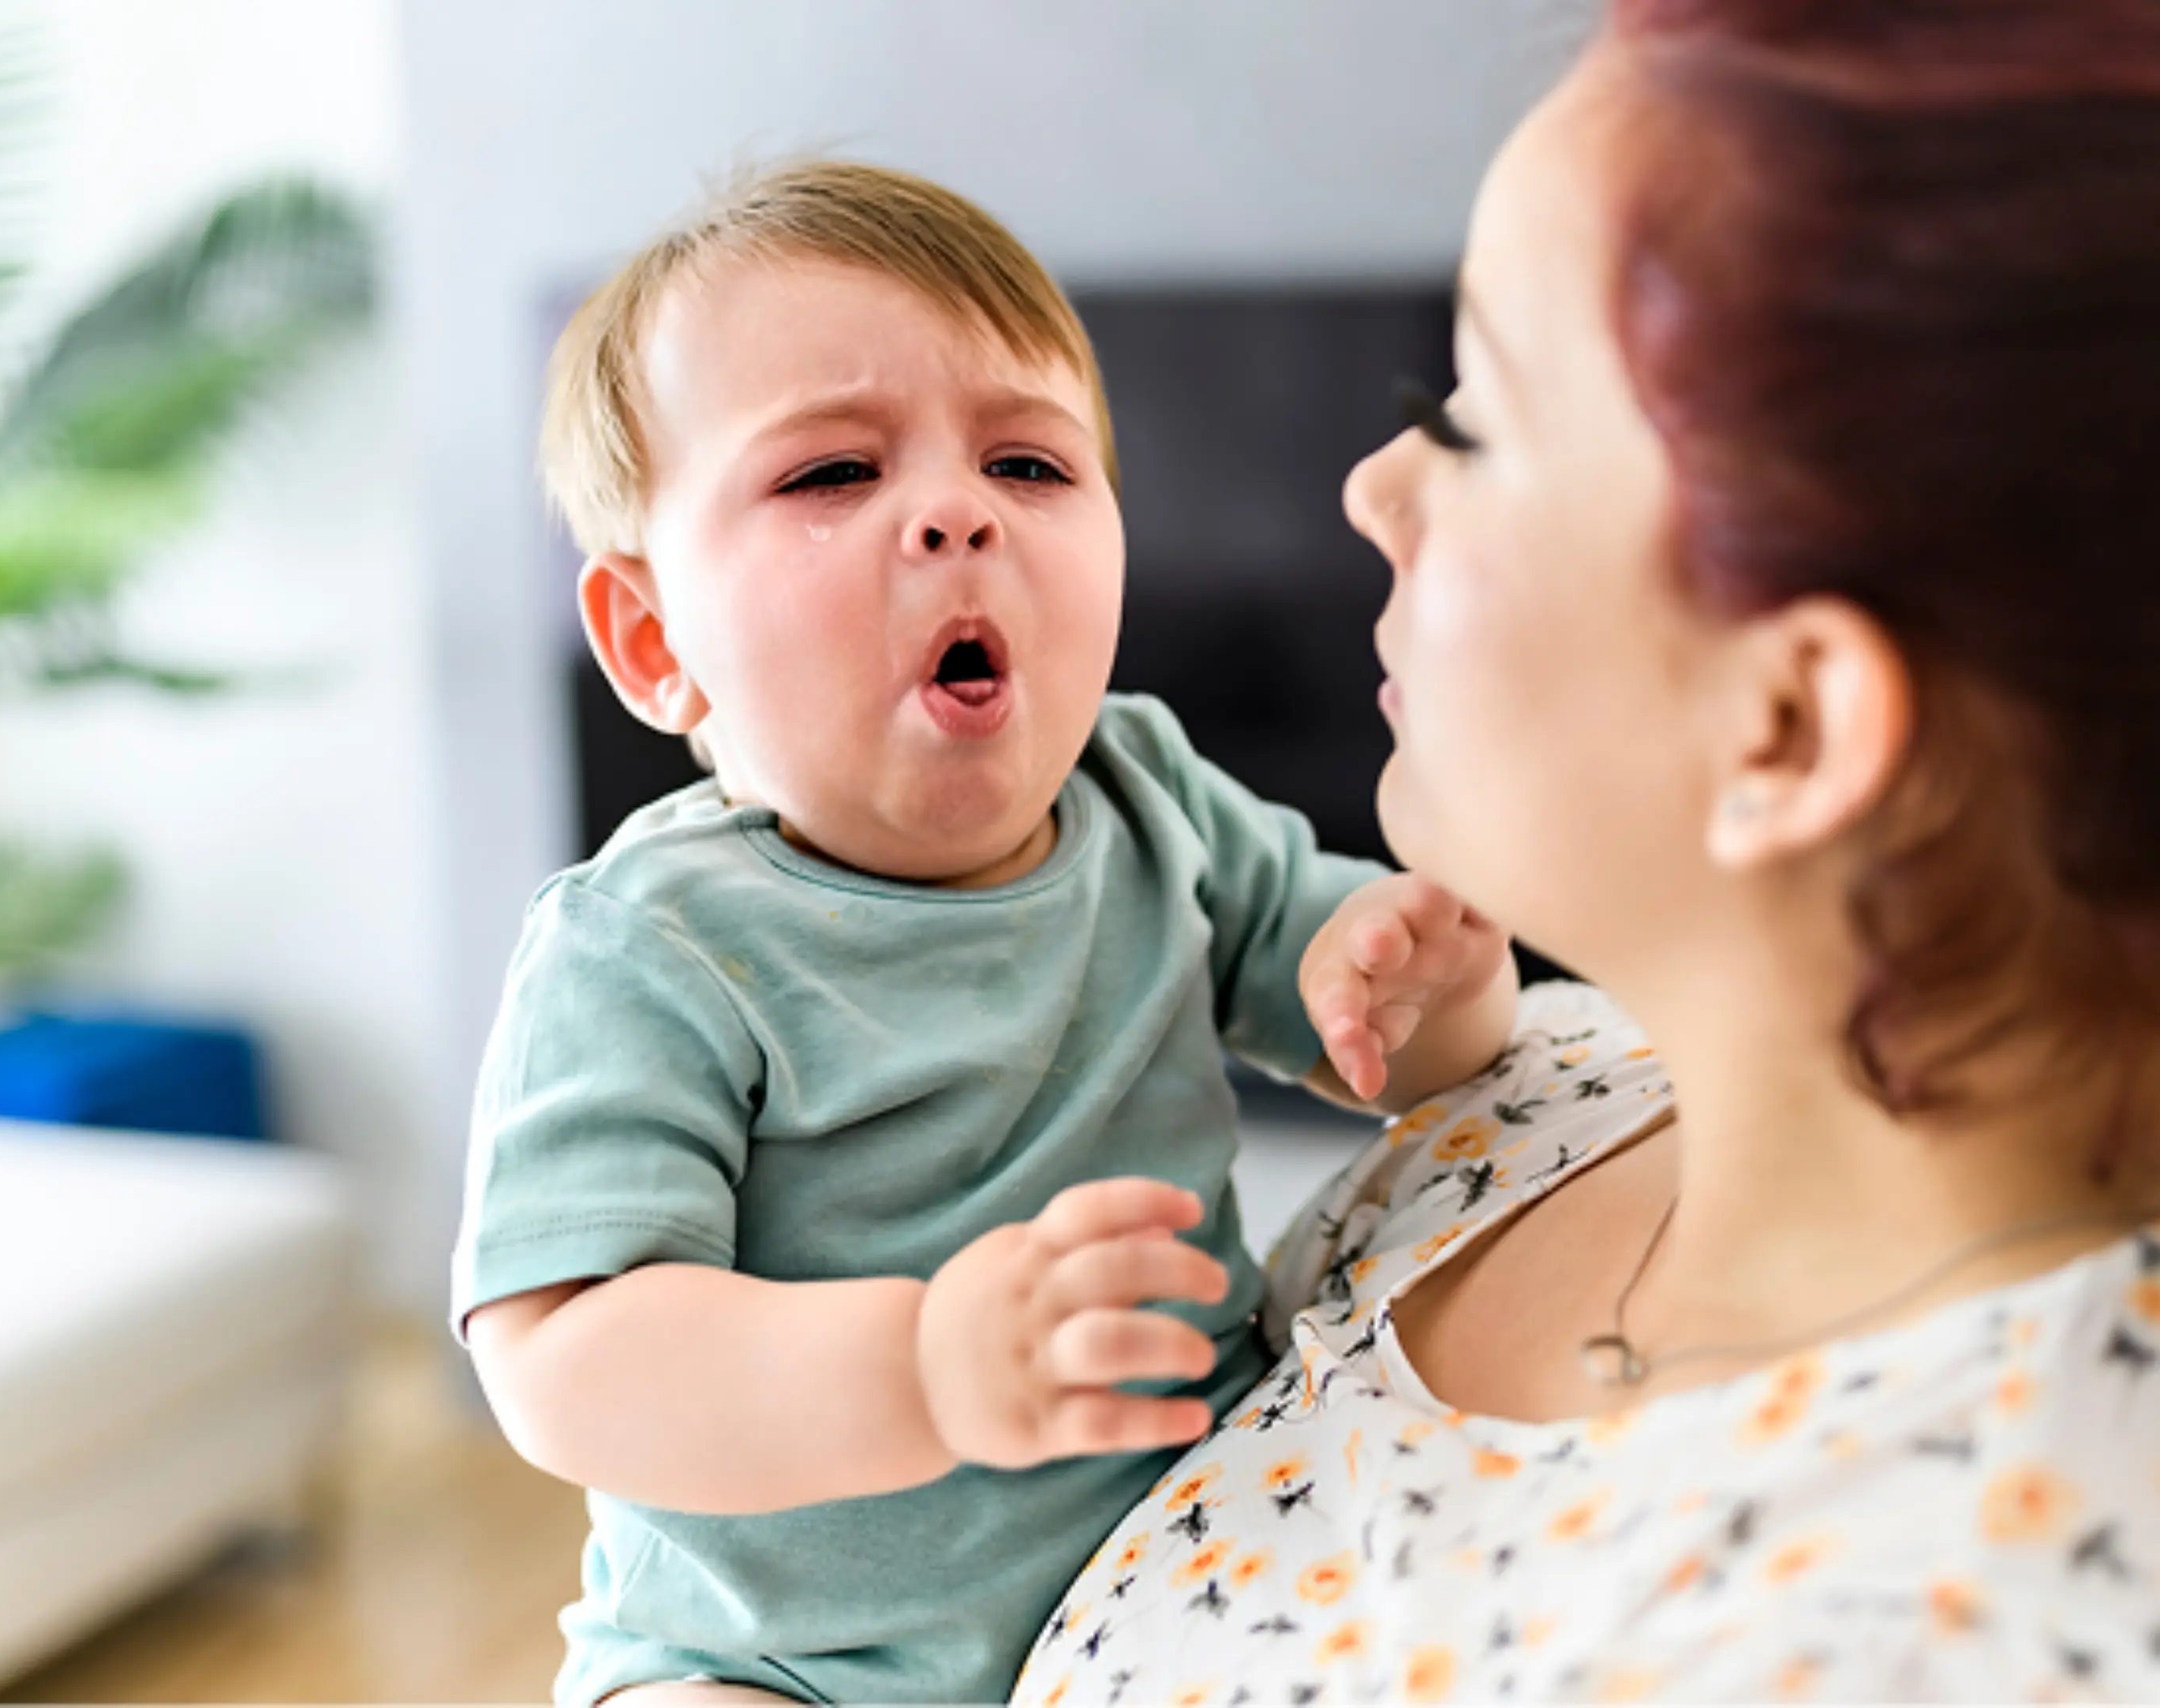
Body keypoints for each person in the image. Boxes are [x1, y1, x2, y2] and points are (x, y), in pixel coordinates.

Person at [1015, 0, 2160, 1700]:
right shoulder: (1617, 1084)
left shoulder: (1951, 1638)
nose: (1375, 487)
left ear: (1793, 728)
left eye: (1477, 416)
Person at [451, 159, 1519, 1706]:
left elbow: (1383, 1045)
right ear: (654, 636)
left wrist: (1441, 984)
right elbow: (562, 1360)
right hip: (780, 1662)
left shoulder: (1149, 793)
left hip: (1187, 1563)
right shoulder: (645, 945)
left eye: (1027, 463)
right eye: (832, 473)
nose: (957, 513)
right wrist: (923, 1368)